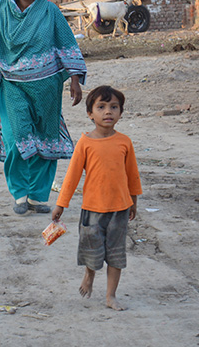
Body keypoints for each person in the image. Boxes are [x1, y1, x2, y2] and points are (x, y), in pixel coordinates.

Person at [0, 0, 87, 215]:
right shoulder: (2, 16)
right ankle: (20, 194)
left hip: (47, 89)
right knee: (17, 138)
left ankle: (38, 196)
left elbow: (66, 43)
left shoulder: (50, 11)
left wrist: (74, 78)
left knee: (45, 140)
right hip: (12, 88)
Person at [52, 85, 142, 311]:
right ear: (90, 113)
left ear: (121, 112)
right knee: (92, 249)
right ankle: (89, 275)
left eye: (114, 107)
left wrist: (133, 201)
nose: (108, 112)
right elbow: (72, 177)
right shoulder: (85, 143)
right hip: (92, 209)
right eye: (101, 107)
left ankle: (111, 295)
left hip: (120, 209)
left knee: (116, 254)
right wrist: (61, 205)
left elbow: (132, 175)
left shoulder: (124, 142)